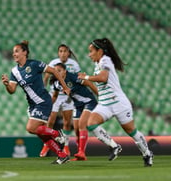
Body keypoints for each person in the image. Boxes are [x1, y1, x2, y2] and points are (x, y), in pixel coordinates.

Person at [78, 38, 153, 166]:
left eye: (91, 51)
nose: (89, 54)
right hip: (105, 104)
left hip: (119, 103)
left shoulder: (105, 60)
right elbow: (100, 87)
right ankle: (114, 146)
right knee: (91, 123)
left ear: (100, 51)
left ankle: (147, 153)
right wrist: (88, 82)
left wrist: (86, 77)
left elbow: (103, 78)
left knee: (132, 132)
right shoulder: (98, 64)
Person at [1, 40, 71, 164]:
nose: (14, 54)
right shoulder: (14, 72)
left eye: (17, 51)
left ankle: (57, 133)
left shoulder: (34, 64)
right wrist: (7, 84)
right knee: (41, 134)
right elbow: (12, 90)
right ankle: (62, 155)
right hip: (32, 105)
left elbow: (54, 71)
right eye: (13, 52)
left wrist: (64, 87)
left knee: (31, 128)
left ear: (25, 52)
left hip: (43, 101)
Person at [40, 44, 81, 157]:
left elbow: (78, 78)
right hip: (55, 94)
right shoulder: (53, 63)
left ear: (68, 53)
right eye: (61, 51)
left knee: (67, 122)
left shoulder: (74, 64)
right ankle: (46, 145)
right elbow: (46, 76)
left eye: (65, 51)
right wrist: (43, 88)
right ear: (58, 53)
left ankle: (66, 146)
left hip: (68, 96)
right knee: (50, 121)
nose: (63, 53)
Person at [52, 63, 98, 161]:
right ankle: (80, 153)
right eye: (55, 71)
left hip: (88, 101)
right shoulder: (57, 83)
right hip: (77, 105)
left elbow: (89, 83)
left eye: (59, 70)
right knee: (76, 129)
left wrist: (100, 96)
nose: (57, 73)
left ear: (65, 71)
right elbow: (55, 96)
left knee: (82, 124)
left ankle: (81, 152)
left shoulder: (72, 77)